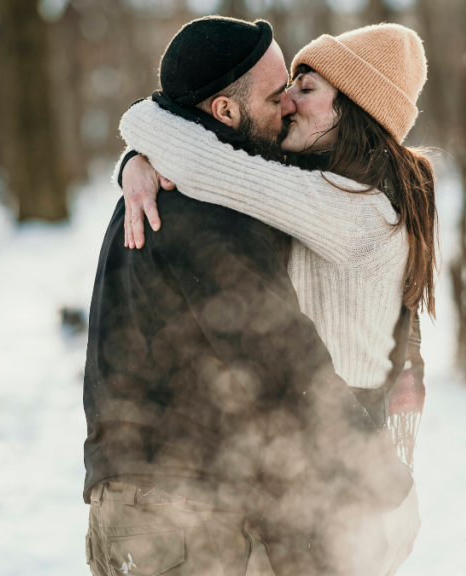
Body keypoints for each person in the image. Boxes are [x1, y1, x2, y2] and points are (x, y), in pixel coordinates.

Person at [83, 17, 415, 576]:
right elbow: (282, 359)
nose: (287, 104)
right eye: (278, 93)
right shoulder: (205, 204)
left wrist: (138, 152)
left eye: (300, 90)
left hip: (158, 508)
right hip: (178, 512)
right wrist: (388, 484)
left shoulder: (207, 187)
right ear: (225, 113)